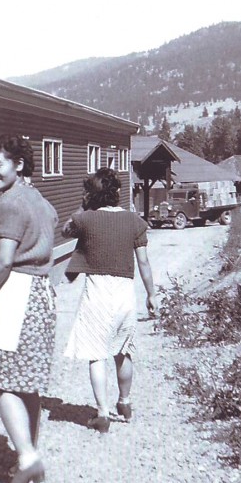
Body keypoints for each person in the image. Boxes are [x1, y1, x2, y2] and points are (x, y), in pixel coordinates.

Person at [0, 133, 57, 483]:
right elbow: (29, 236)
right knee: (27, 381)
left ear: (17, 164)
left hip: (16, 294)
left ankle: (26, 458)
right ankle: (28, 453)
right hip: (41, 294)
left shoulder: (9, 204)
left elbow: (5, 260)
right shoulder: (36, 198)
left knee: (1, 380)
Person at [63, 167, 157, 432]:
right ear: (117, 193)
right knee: (123, 352)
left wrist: (83, 209)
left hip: (97, 294)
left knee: (96, 355)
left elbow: (65, 230)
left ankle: (102, 414)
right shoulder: (134, 221)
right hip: (125, 294)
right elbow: (144, 263)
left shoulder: (86, 219)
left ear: (91, 194)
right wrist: (152, 294)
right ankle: (125, 403)